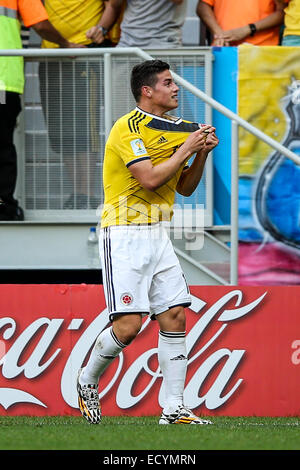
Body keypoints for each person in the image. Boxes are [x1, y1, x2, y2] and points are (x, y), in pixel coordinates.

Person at [77, 59, 219, 425]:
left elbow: (185, 188)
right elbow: (151, 180)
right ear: (147, 90)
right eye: (169, 83)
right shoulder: (127, 128)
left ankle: (174, 408)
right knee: (129, 324)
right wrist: (189, 147)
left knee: (174, 314)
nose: (176, 88)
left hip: (158, 232)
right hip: (123, 231)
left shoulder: (177, 130)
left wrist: (201, 152)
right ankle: (87, 378)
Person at [0, 0, 83, 221]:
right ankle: (3, 206)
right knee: (1, 147)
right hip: (1, 81)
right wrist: (65, 44)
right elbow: (41, 25)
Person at [39, 0, 124, 210]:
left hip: (85, 52)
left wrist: (102, 28)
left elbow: (114, 4)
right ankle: (76, 192)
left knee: (86, 125)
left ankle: (87, 192)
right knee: (61, 127)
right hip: (51, 53)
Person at [91, 0, 188, 49]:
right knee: (119, 87)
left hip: (162, 43)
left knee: (160, 87)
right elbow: (114, 5)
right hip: (127, 44)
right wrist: (101, 29)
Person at [196, 0, 286, 46]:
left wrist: (249, 29)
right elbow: (202, 6)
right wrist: (218, 33)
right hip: (224, 47)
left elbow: (283, 13)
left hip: (261, 48)